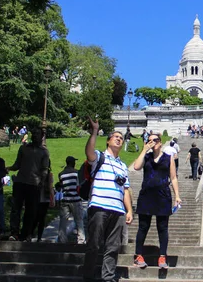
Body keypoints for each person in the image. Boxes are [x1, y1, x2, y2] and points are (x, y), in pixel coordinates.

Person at [83, 119, 133, 282]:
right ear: (108, 140)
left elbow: (125, 189)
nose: (119, 139)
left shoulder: (123, 166)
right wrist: (95, 131)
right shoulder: (100, 157)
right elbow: (89, 152)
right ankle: (88, 276)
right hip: (99, 206)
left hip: (118, 210)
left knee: (113, 247)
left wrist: (129, 210)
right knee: (94, 245)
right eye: (116, 137)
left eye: (121, 137)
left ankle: (108, 278)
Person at [133, 132, 181, 270]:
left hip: (163, 195)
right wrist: (144, 150)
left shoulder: (168, 158)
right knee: (143, 226)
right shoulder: (146, 157)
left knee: (162, 227)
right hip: (146, 195)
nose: (152, 142)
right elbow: (136, 167)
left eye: (155, 140)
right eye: (149, 140)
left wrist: (177, 195)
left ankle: (162, 256)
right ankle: (139, 255)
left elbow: (173, 178)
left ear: (160, 143)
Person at [6, 128, 50, 242]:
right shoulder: (23, 148)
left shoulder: (44, 152)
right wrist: (9, 168)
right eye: (34, 133)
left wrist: (42, 181)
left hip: (34, 184)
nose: (35, 136)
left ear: (42, 137)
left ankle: (26, 234)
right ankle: (14, 233)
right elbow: (17, 164)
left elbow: (45, 169)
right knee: (16, 209)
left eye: (37, 134)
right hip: (20, 182)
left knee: (31, 211)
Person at [58, 156, 85, 244]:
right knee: (79, 220)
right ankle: (81, 240)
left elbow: (62, 186)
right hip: (76, 200)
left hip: (65, 200)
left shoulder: (61, 174)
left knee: (63, 221)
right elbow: (80, 186)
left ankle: (62, 240)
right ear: (72, 163)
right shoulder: (77, 173)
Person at [33, 160, 54, 242]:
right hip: (44, 198)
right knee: (41, 219)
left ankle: (31, 235)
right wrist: (52, 199)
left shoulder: (37, 173)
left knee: (36, 217)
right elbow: (50, 187)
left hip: (38, 198)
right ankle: (38, 237)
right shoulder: (49, 175)